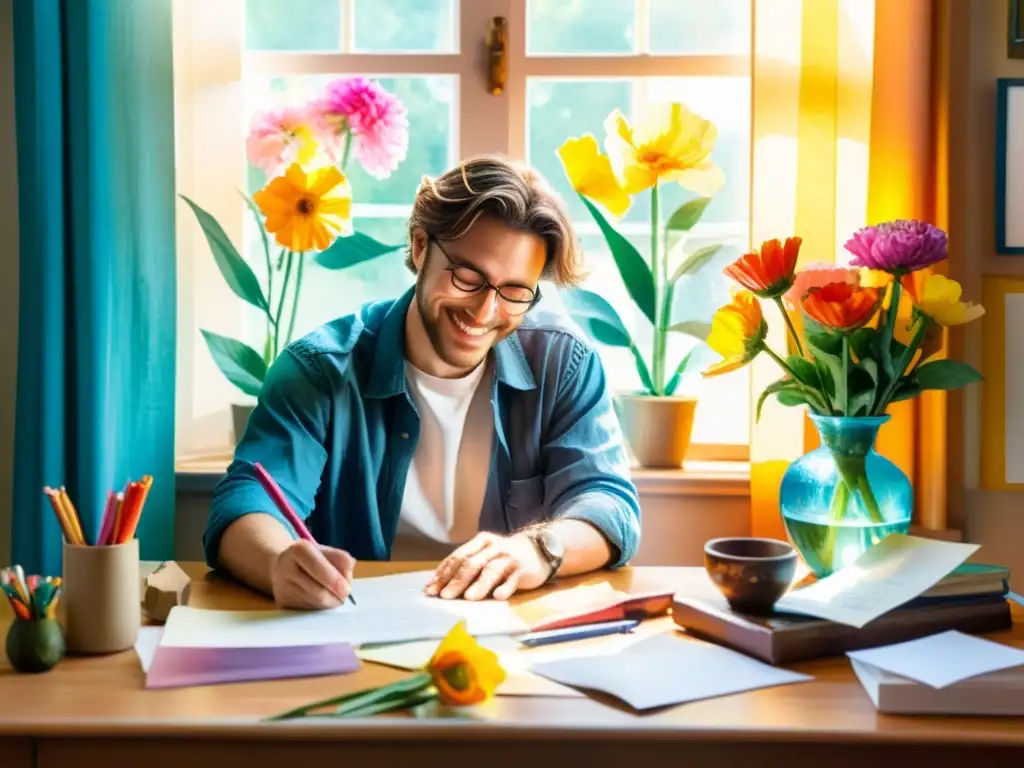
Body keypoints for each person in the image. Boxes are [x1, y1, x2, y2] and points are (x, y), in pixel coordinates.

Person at [203, 154, 641, 609]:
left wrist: (536, 549)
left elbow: (609, 505)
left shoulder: (564, 363)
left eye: (514, 291)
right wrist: (277, 562)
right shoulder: (320, 370)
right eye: (468, 276)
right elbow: (243, 503)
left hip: (508, 630)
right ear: (419, 246)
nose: (484, 312)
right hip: (359, 628)